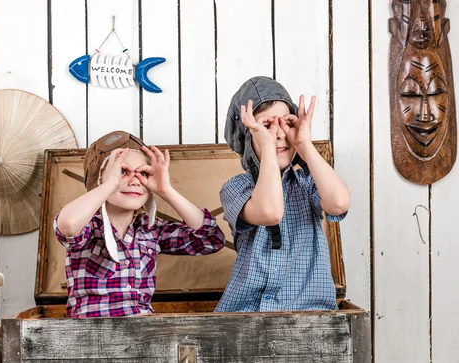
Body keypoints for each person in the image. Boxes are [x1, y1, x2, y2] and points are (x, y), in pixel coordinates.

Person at [215, 76, 351, 312]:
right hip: (247, 313)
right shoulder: (236, 188)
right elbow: (270, 212)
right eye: (266, 126)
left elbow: (338, 203)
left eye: (285, 123)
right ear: (247, 138)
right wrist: (267, 147)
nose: (277, 134)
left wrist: (304, 145)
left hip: (309, 311)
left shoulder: (307, 182)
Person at [54, 131, 225, 318]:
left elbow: (210, 239)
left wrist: (166, 191)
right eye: (122, 171)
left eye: (143, 173)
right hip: (91, 334)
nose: (134, 180)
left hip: (143, 332)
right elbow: (68, 225)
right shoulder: (88, 225)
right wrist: (110, 184)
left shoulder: (150, 230)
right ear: (99, 180)